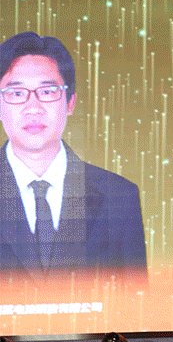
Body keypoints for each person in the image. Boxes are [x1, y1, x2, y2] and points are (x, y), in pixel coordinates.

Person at [0, 32, 146, 282]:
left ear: (70, 102)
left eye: (47, 91)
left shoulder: (118, 196)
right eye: (16, 93)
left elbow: (135, 298)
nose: (33, 108)